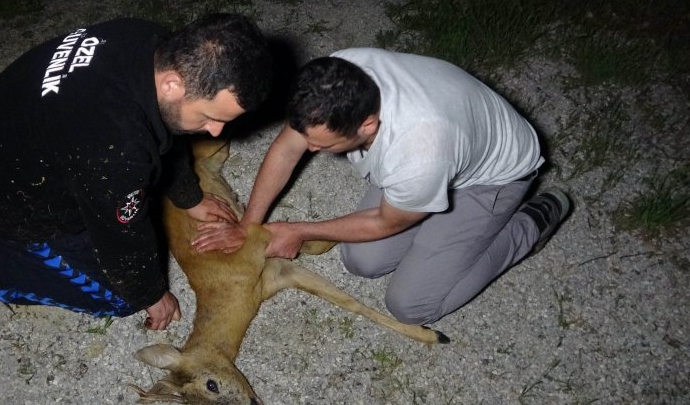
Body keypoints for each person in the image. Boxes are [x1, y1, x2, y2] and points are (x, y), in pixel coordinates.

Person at [0, 13, 273, 329]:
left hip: (4, 155)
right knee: (120, 297)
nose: (215, 131)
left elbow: (170, 129)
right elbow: (121, 239)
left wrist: (188, 197)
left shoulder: (148, 40)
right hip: (15, 202)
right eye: (212, 117)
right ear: (173, 83)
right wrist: (151, 295)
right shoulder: (116, 147)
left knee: (163, 128)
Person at [192, 48, 570, 325]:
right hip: (445, 155)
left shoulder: (420, 151)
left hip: (492, 178)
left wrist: (297, 230)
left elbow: (387, 222)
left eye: (322, 145)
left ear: (368, 126)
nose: (310, 149)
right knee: (362, 261)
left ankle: (530, 224)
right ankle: (432, 213)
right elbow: (287, 150)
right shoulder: (336, 80)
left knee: (410, 305)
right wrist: (249, 226)